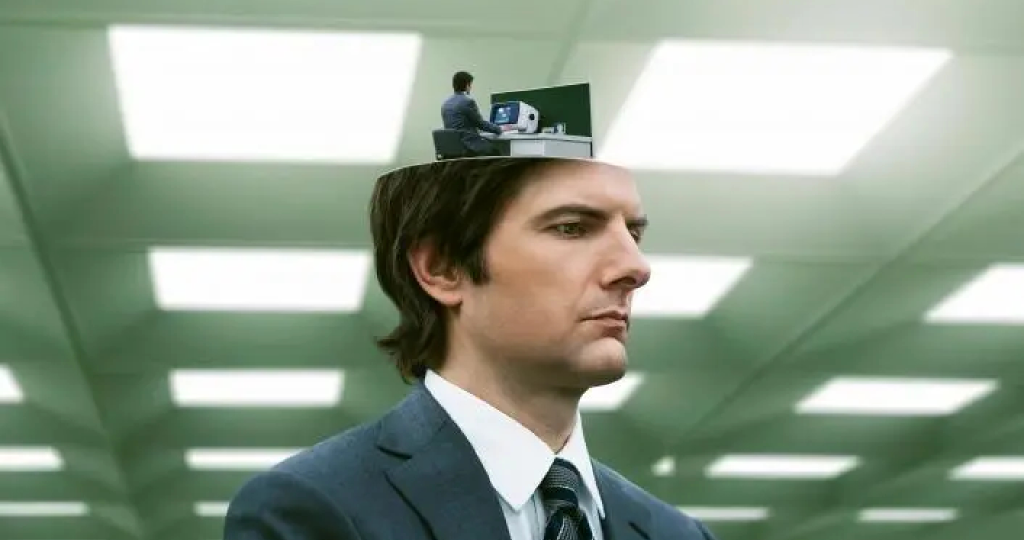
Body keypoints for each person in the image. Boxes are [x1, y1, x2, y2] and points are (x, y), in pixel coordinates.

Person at [223, 156, 719, 540]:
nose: (636, 267)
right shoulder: (314, 509)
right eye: (572, 227)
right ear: (442, 268)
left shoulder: (680, 535)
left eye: (633, 233)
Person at [440, 70, 515, 156]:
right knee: (495, 151)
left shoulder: (445, 104)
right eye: (470, 84)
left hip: (454, 148)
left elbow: (460, 125)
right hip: (468, 145)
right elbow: (481, 124)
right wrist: (500, 129)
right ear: (467, 85)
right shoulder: (467, 101)